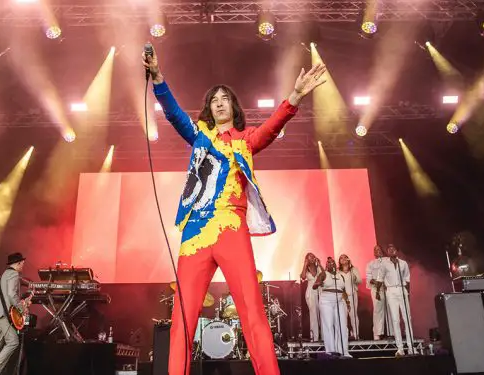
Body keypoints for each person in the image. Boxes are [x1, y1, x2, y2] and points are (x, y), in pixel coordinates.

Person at [143, 46, 327, 375]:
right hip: (195, 233)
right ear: (208, 109)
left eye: (224, 98)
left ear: (233, 107)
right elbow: (173, 114)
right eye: (213, 99)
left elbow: (271, 127)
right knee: (181, 321)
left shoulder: (246, 140)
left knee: (252, 314)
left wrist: (295, 96)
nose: (218, 101)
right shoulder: (199, 135)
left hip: (231, 228)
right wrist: (158, 78)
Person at [0, 253, 28, 375]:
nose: (23, 266)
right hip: (4, 314)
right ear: (18, 263)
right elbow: (11, 294)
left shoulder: (2, 276)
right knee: (13, 342)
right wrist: (22, 308)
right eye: (22, 264)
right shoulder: (14, 274)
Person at [375, 245, 413, 356]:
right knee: (396, 320)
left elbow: (407, 279)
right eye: (389, 249)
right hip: (391, 291)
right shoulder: (384, 264)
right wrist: (377, 292)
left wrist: (408, 293)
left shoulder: (403, 263)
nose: (391, 250)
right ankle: (400, 349)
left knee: (407, 319)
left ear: (397, 250)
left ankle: (411, 348)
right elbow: (379, 279)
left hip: (402, 289)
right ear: (387, 252)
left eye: (393, 248)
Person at [314, 257, 351, 358]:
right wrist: (318, 283)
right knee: (329, 325)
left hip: (340, 300)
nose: (331, 264)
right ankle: (331, 351)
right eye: (329, 263)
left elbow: (343, 290)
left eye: (332, 263)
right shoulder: (324, 274)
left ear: (336, 265)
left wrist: (347, 302)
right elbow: (315, 285)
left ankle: (344, 351)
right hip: (326, 300)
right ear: (326, 265)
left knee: (342, 326)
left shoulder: (341, 276)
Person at [365, 245, 390, 340]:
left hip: (388, 287)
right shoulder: (370, 264)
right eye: (375, 250)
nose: (377, 250)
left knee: (391, 310)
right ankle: (377, 333)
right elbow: (369, 278)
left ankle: (392, 333)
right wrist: (377, 282)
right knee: (377, 310)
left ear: (382, 251)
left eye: (379, 249)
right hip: (376, 288)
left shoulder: (388, 260)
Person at [338, 253, 363, 340]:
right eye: (341, 258)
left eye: (345, 257)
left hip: (352, 294)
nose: (343, 259)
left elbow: (359, 281)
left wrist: (354, 278)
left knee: (353, 315)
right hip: (342, 296)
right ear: (339, 261)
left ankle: (356, 335)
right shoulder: (338, 272)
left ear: (348, 259)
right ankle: (345, 335)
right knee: (343, 315)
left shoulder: (353, 269)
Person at [300, 252, 322, 341]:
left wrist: (319, 264)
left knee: (322, 314)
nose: (312, 258)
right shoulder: (307, 268)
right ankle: (315, 337)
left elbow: (324, 276)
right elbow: (303, 277)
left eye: (313, 256)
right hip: (311, 292)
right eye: (309, 257)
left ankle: (324, 336)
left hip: (320, 292)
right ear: (307, 259)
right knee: (313, 314)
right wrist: (305, 265)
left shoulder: (318, 267)